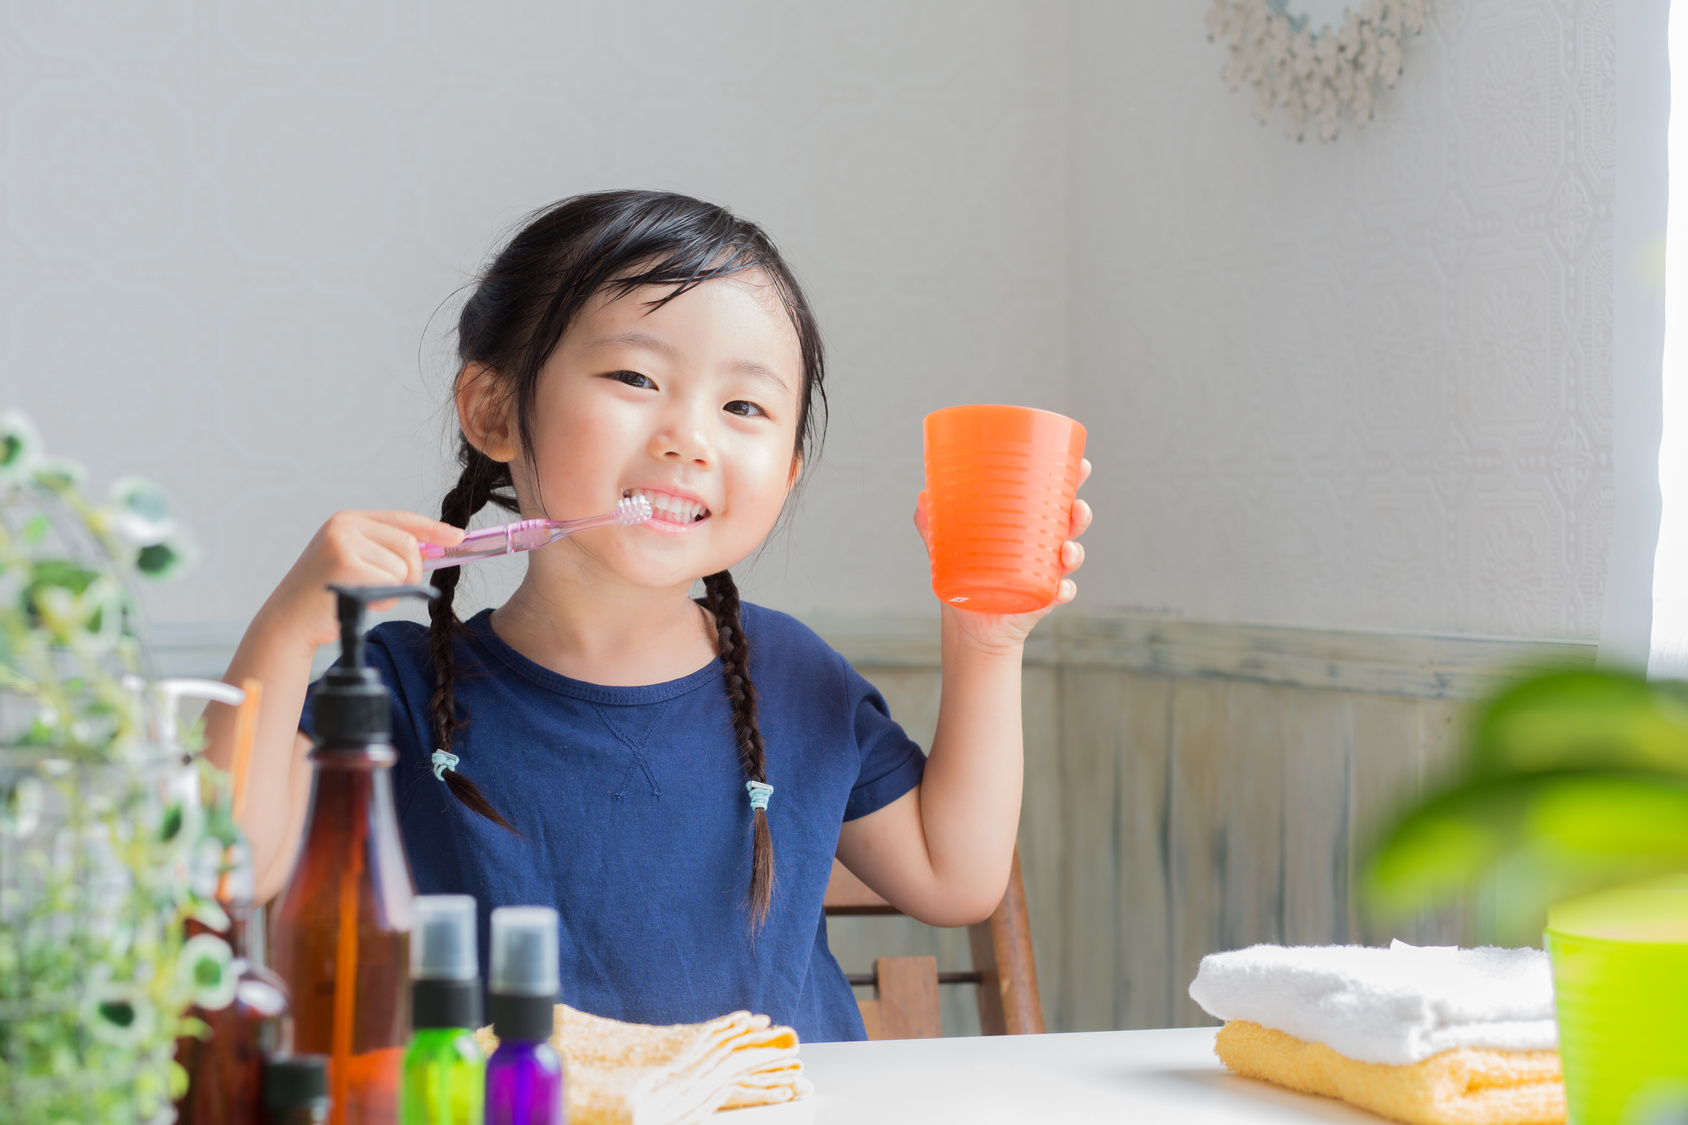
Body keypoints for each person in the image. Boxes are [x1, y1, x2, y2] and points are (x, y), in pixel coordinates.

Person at [207, 190, 1092, 1042]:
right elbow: (228, 868)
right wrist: (285, 631)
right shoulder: (398, 685)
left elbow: (955, 876)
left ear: (784, 474)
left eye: (744, 406)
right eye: (635, 375)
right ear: (492, 410)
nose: (690, 436)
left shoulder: (794, 674)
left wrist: (987, 638)